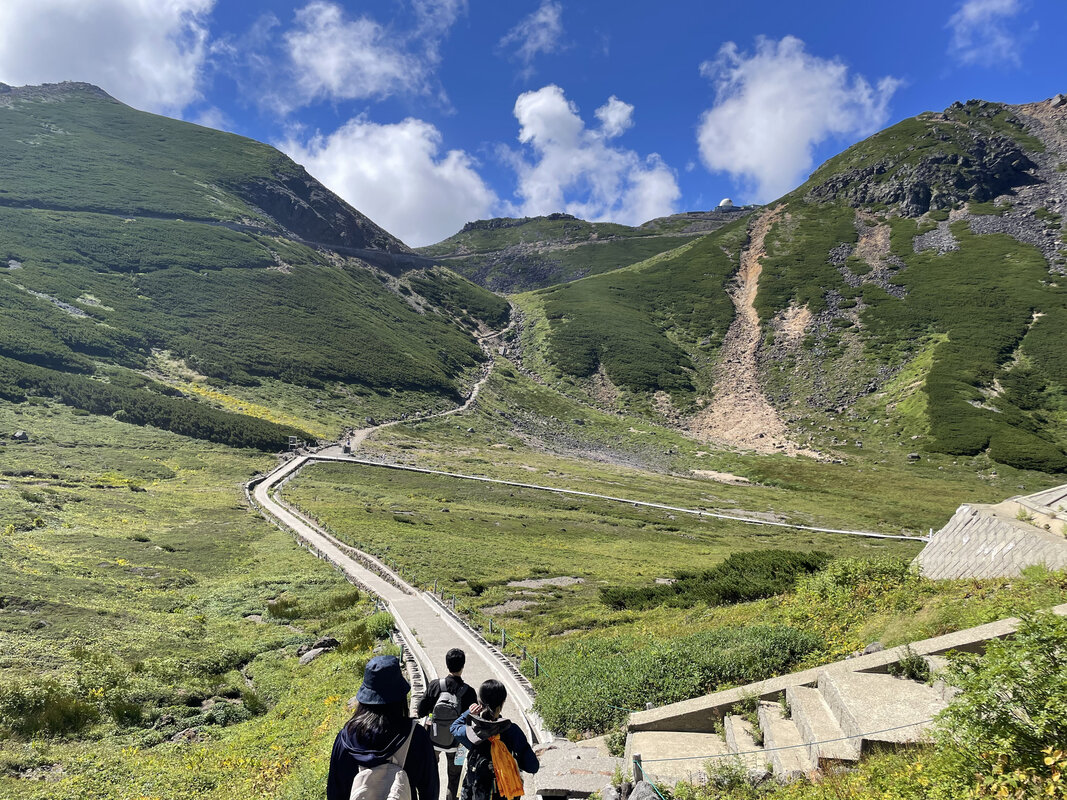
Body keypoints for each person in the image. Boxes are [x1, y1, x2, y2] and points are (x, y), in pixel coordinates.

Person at [327, 655, 440, 800]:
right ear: (400, 696)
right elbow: (430, 791)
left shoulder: (346, 738)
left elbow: (334, 793)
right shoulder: (416, 736)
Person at [450, 679, 539, 800]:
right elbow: (533, 766)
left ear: (479, 702)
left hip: (477, 794)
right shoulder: (512, 730)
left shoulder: (472, 731)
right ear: (502, 703)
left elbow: (454, 727)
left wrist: (468, 713)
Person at [416, 648, 478, 800]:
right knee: (454, 778)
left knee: (430, 775)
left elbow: (420, 711)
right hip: (459, 745)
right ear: (463, 666)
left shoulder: (435, 685)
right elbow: (473, 722)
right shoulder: (469, 692)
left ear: (447, 665)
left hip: (433, 739)